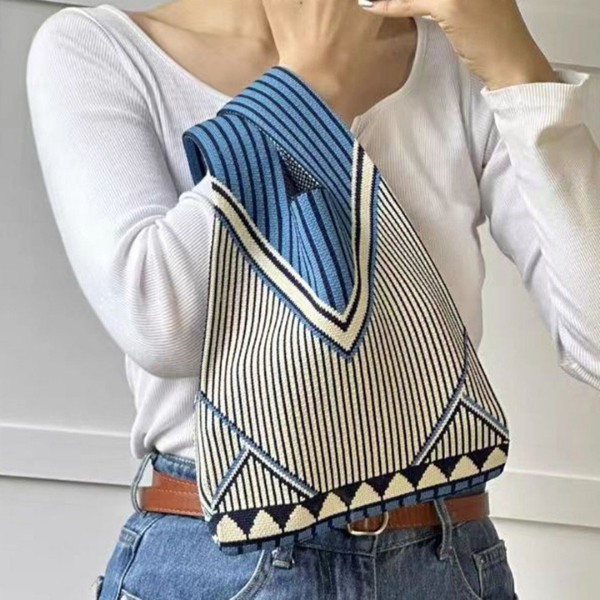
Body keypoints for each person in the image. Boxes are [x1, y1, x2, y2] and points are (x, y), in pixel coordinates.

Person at [25, 0, 599, 598]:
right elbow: (160, 321)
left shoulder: (453, 59)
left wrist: (516, 66)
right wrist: (311, 86)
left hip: (443, 558)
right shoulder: (100, 50)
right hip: (218, 560)